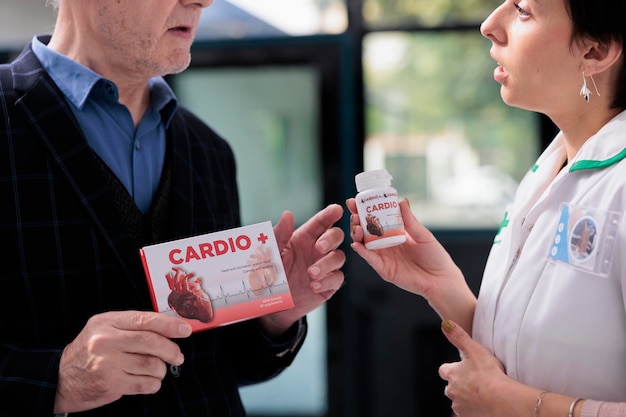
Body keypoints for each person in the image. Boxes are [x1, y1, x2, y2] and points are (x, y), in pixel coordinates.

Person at [0, 0, 346, 415]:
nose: (202, 1)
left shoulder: (210, 151)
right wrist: (59, 380)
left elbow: (219, 363)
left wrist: (274, 316)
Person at [348, 0, 626, 416]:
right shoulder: (547, 173)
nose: (489, 25)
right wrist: (441, 285)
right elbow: (527, 346)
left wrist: (517, 406)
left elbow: (513, 393)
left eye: (523, 10)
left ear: (595, 51)